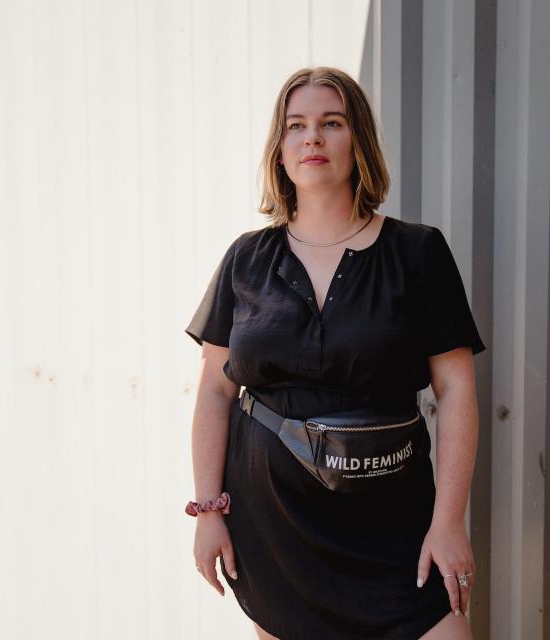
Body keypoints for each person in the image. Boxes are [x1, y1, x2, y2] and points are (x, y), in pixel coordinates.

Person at [184, 66, 486, 639]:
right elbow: (215, 392)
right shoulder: (247, 259)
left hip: (393, 523)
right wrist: (208, 511)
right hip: (276, 528)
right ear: (280, 150)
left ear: (359, 141)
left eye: (331, 122)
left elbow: (456, 389)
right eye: (295, 126)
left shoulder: (417, 252)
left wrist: (448, 522)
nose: (312, 138)